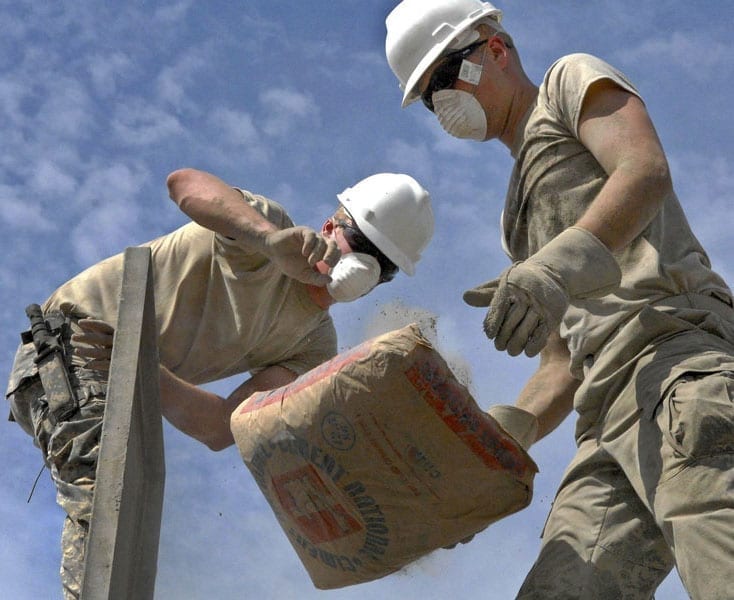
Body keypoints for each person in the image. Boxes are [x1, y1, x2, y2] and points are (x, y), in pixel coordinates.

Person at [385, 1, 734, 598]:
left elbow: (643, 169)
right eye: (427, 96)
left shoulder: (567, 84)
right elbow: (560, 363)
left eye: (444, 77)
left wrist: (557, 264)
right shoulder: (512, 218)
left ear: (494, 48)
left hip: (673, 365)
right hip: (603, 421)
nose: (440, 102)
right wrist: (494, 443)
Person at [5, 167, 434, 599]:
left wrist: (145, 366)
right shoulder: (265, 231)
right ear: (329, 227)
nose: (362, 266)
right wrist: (265, 239)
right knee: (105, 492)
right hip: (70, 346)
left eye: (381, 266)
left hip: (127, 380)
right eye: (359, 245)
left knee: (132, 512)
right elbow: (182, 184)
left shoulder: (313, 345)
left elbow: (218, 427)